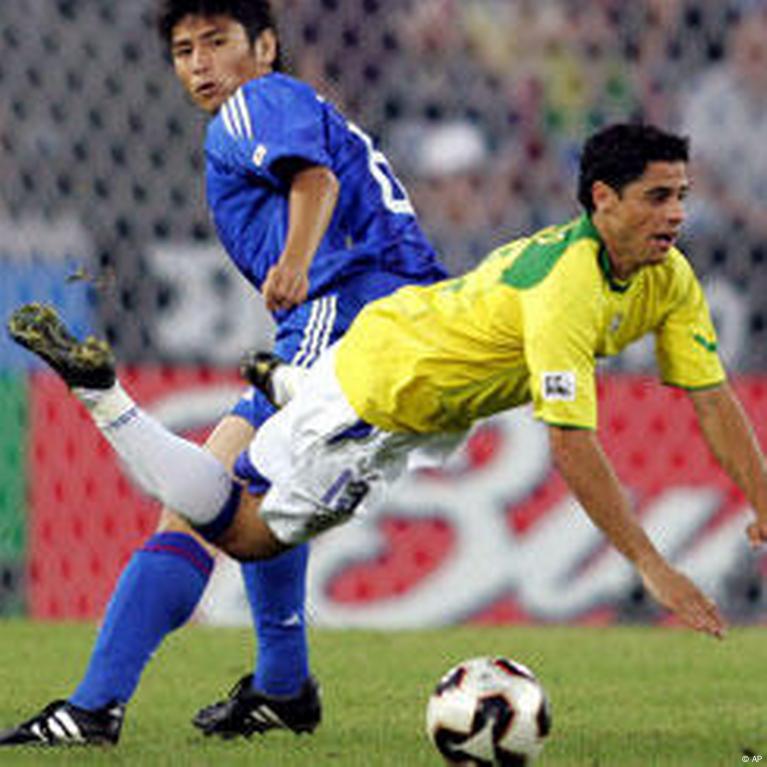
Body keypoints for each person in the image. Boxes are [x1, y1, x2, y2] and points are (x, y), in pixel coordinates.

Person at [9, 123, 767, 654]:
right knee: (244, 532)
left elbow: (711, 397)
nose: (675, 213)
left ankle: (286, 384)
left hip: (419, 372)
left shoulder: (668, 278)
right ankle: (104, 393)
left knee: (320, 430)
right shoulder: (565, 289)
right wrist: (650, 563)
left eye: (680, 196)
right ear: (602, 199)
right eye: (657, 196)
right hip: (384, 394)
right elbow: (570, 444)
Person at [0, 0, 447, 748]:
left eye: (217, 41)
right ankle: (280, 685)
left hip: (346, 326)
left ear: (265, 45)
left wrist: (296, 262)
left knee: (201, 506)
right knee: (250, 498)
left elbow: (315, 183)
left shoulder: (257, 101)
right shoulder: (285, 107)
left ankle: (93, 707)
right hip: (372, 325)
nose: (201, 63)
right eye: (183, 50)